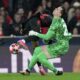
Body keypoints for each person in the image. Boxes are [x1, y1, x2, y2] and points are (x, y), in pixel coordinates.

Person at [20, 6, 72, 75]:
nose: (55, 9)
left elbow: (47, 37)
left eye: (57, 10)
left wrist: (35, 33)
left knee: (40, 57)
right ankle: (28, 71)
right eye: (56, 8)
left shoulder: (55, 22)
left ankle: (56, 71)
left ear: (59, 14)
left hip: (62, 46)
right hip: (60, 44)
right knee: (37, 50)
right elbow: (52, 36)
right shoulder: (56, 20)